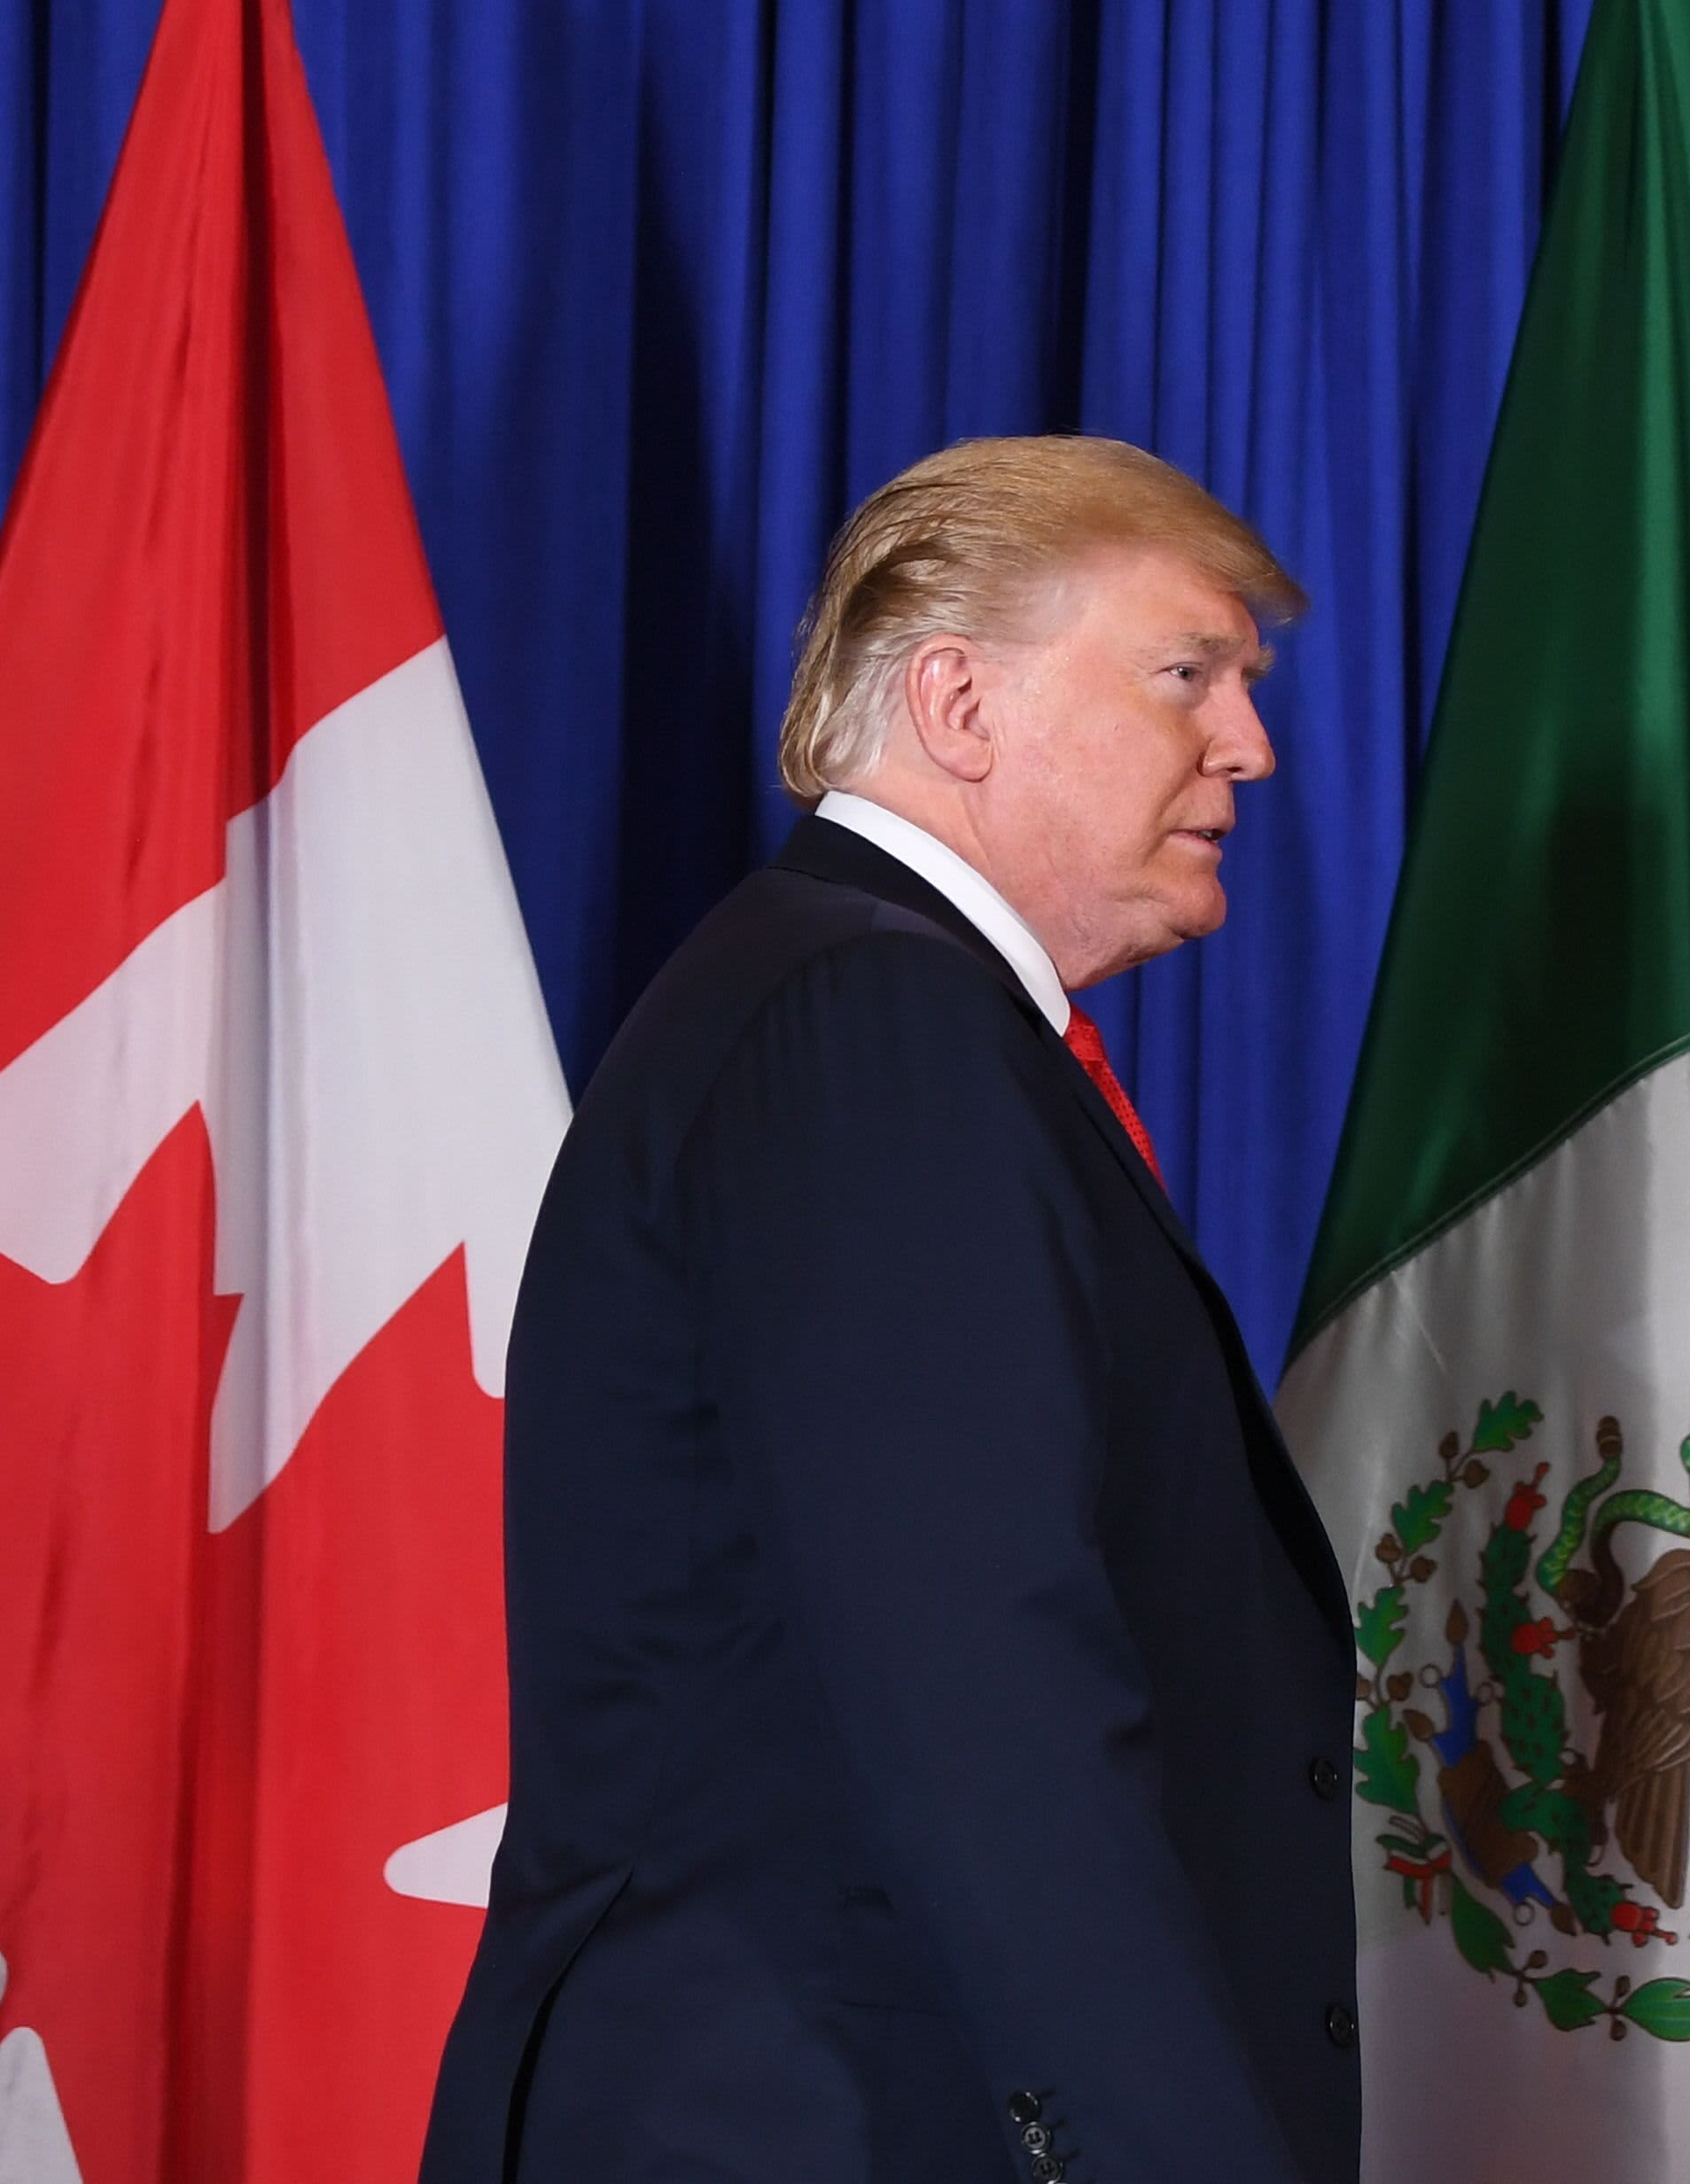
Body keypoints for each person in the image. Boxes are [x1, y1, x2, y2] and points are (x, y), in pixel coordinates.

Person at [418, 437, 1359, 2184]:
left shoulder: (859, 1004)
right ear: (958, 699)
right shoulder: (873, 1029)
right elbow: (989, 1699)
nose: (1247, 744)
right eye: (1185, 674)